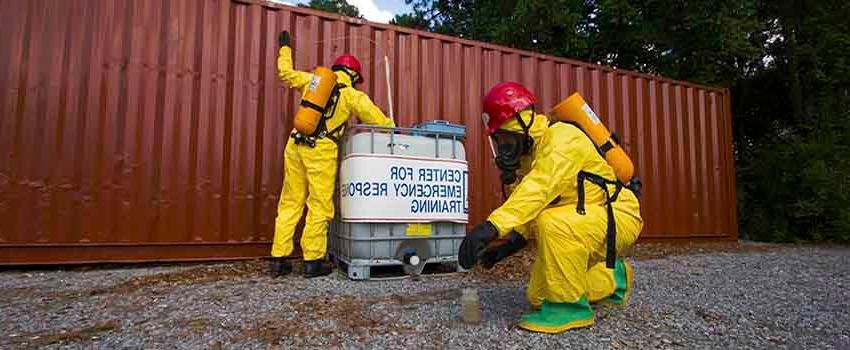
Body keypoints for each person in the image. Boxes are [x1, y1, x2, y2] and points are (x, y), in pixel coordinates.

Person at [458, 82, 643, 333]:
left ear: (524, 125)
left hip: (618, 215)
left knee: (552, 222)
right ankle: (615, 278)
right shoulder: (530, 159)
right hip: (583, 219)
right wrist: (505, 247)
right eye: (499, 141)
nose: (503, 148)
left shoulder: (562, 138)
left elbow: (539, 188)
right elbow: (530, 208)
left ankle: (570, 310)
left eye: (507, 139)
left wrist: (492, 227)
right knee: (540, 296)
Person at [270, 31, 395, 278]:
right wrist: (394, 129)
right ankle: (312, 262)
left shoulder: (313, 81)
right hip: (321, 150)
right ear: (355, 76)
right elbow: (378, 120)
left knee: (290, 203)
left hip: (295, 144)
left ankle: (278, 260)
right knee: (318, 206)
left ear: (335, 68)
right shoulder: (352, 95)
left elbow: (285, 73)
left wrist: (285, 48)